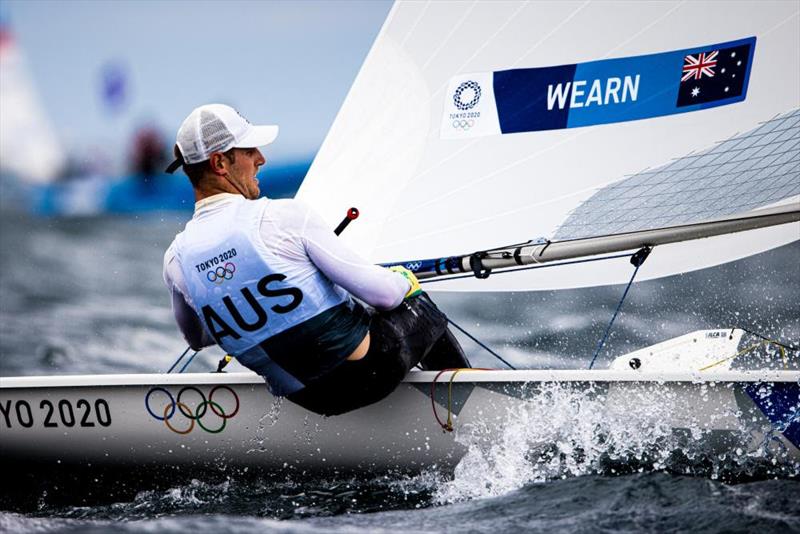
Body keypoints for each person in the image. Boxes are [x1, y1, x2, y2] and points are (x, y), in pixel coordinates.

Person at [162, 104, 469, 416]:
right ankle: (470, 410)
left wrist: (242, 300)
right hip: (371, 376)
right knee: (415, 303)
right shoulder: (282, 216)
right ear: (219, 163)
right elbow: (385, 296)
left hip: (309, 401)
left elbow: (198, 338)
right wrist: (404, 280)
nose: (261, 158)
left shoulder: (176, 258)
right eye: (249, 150)